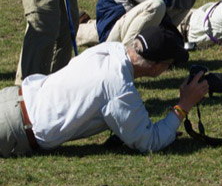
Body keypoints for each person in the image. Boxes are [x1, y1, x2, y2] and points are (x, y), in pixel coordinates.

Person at [0, 24, 208, 157]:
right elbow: (149, 142)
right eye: (169, 64)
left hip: (12, 97)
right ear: (156, 67)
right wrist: (183, 106)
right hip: (13, 129)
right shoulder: (118, 88)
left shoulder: (109, 49)